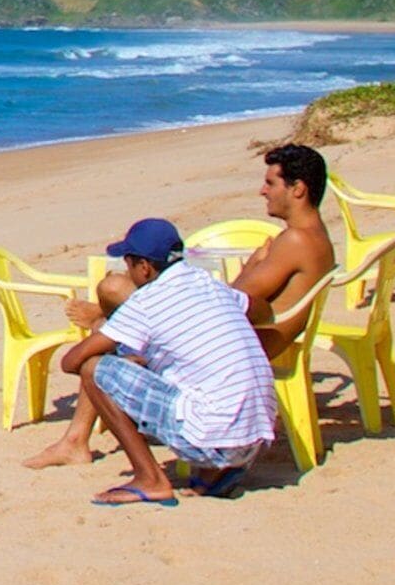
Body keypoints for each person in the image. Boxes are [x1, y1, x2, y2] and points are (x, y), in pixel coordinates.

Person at [22, 217, 277, 506]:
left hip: (216, 438)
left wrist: (120, 346)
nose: (127, 273)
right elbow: (263, 312)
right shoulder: (209, 284)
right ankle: (214, 473)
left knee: (95, 369)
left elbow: (71, 362)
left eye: (129, 265)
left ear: (144, 267)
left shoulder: (145, 303)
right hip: (257, 437)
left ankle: (149, 478)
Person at [238, 144, 340, 359]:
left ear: (298, 189)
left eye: (270, 183)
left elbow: (232, 299)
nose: (263, 191)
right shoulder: (317, 234)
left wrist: (251, 265)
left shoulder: (297, 240)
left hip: (251, 351)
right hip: (268, 342)